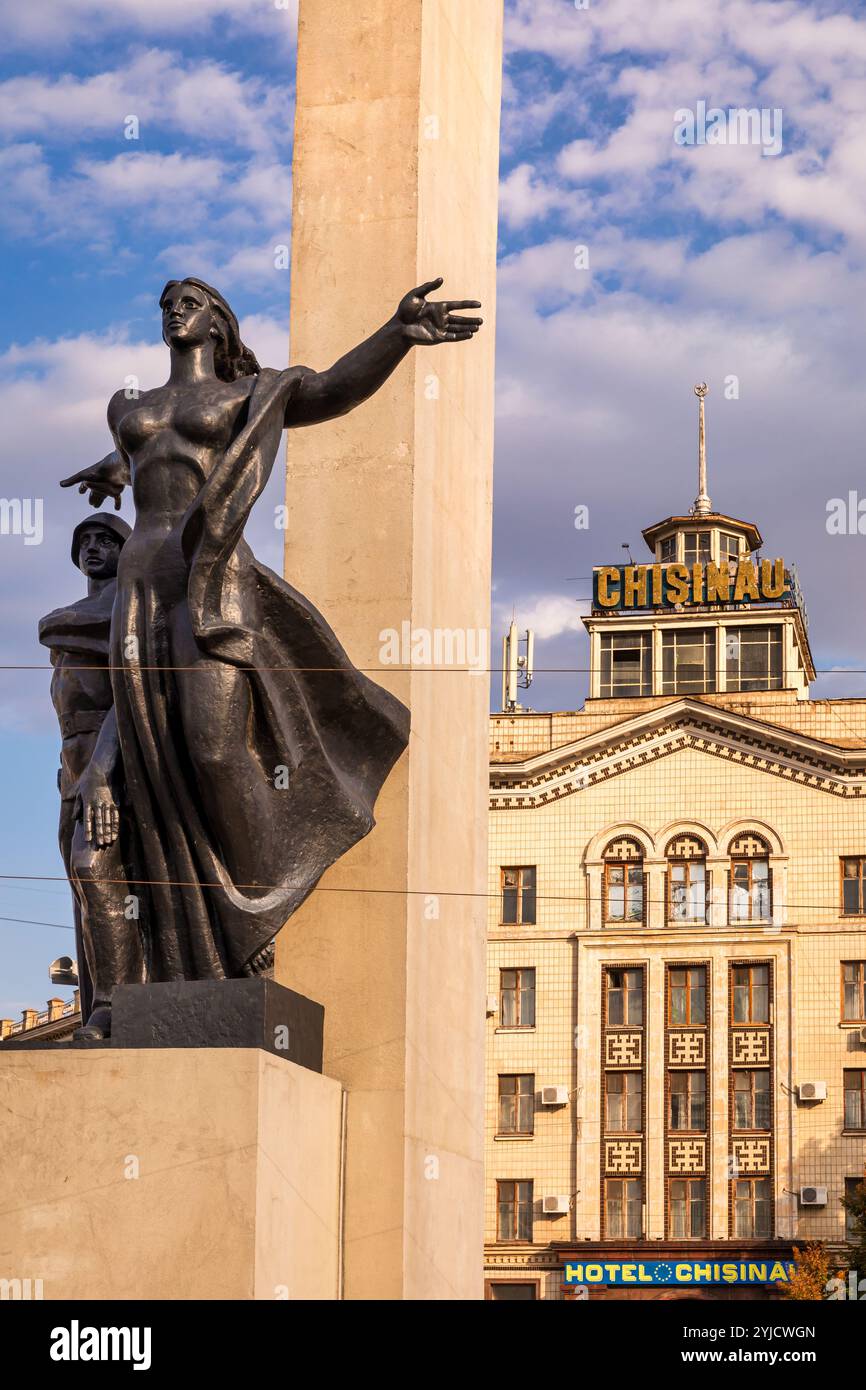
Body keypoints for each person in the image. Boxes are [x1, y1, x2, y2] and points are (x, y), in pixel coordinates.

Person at [59, 275, 482, 987]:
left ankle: (254, 909)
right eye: (166, 304)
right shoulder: (128, 406)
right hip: (141, 590)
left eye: (189, 303)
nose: (174, 312)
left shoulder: (245, 396)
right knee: (149, 741)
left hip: (211, 579)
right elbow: (143, 457)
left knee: (216, 748)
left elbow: (329, 391)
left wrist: (396, 334)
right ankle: (166, 960)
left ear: (218, 323)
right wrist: (113, 467)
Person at [38, 515, 145, 1038]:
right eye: (85, 540)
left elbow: (132, 698)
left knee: (96, 870)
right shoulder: (72, 618)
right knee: (83, 890)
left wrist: (102, 773)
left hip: (114, 760)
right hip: (70, 765)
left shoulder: (128, 611)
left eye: (107, 539)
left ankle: (113, 1004)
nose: (94, 547)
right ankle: (96, 1004)